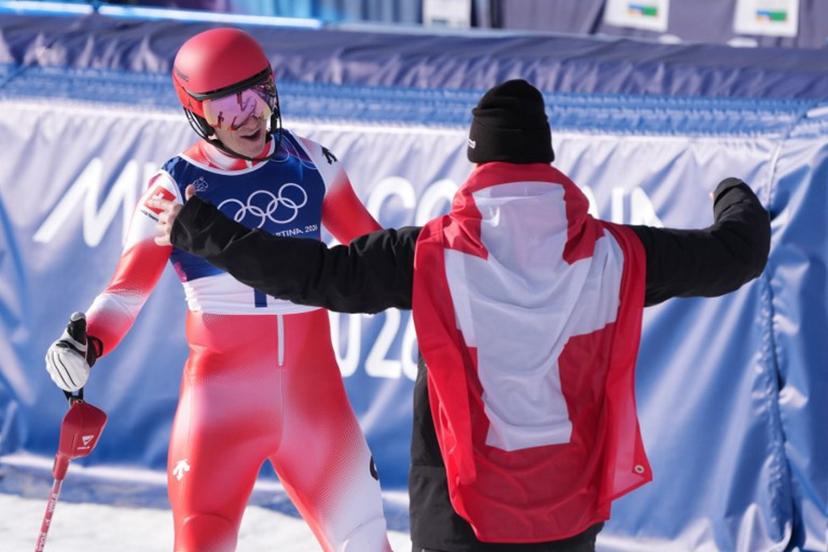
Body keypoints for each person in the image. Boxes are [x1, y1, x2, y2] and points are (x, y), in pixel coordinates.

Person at [153, 79, 771, 551]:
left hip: (460, 510)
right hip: (571, 506)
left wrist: (199, 227)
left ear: (478, 164)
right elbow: (735, 256)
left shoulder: (432, 255)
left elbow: (311, 274)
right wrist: (734, 194)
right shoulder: (615, 254)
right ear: (545, 158)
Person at [44, 27, 393, 552]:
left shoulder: (314, 163)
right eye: (227, 107)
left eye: (257, 96)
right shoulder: (174, 185)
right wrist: (85, 343)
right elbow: (125, 292)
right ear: (197, 113)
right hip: (219, 412)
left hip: (317, 407)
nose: (249, 115)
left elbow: (380, 256)